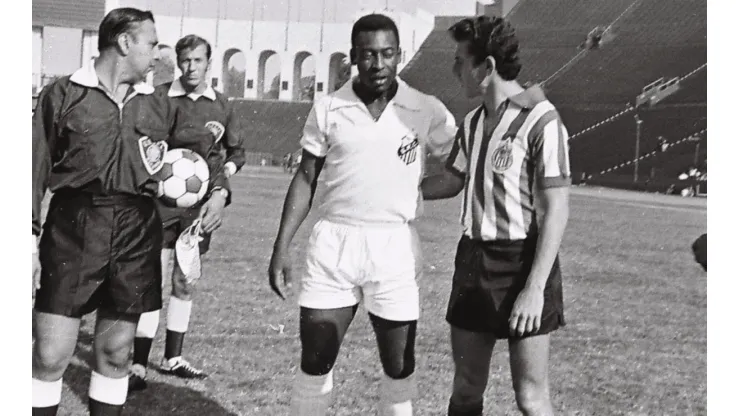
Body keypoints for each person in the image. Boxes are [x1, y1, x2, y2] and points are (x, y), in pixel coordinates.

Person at [267, 13, 456, 416]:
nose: (378, 64)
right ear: (353, 56)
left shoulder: (424, 109)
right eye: (368, 54)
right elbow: (305, 178)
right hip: (335, 243)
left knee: (398, 365)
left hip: (394, 247)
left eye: (387, 54)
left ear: (399, 55)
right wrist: (281, 247)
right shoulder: (329, 108)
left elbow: (458, 167)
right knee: (316, 359)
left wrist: (413, 191)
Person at [420, 16, 571, 416]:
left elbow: (556, 207)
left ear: (486, 67)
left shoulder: (542, 119)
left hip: (524, 263)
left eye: (460, 61)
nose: (454, 70)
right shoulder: (472, 124)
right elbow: (452, 181)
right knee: (467, 387)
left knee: (531, 397)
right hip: (474, 261)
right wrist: (396, 191)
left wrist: (535, 288)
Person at [32, 8, 171, 416]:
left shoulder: (157, 103)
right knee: (51, 354)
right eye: (151, 43)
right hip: (75, 226)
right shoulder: (63, 94)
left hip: (136, 229)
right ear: (125, 43)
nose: (157, 54)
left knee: (115, 352)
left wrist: (214, 190)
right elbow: (33, 166)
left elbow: (188, 160)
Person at [128, 34, 245, 391]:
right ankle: (137, 363)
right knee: (153, 281)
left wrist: (222, 190)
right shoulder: (162, 98)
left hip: (199, 208)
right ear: (178, 63)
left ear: (209, 62)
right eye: (186, 60)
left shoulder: (221, 106)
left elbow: (236, 154)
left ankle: (173, 357)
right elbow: (144, 145)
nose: (192, 67)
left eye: (198, 60)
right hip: (160, 205)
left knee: (185, 279)